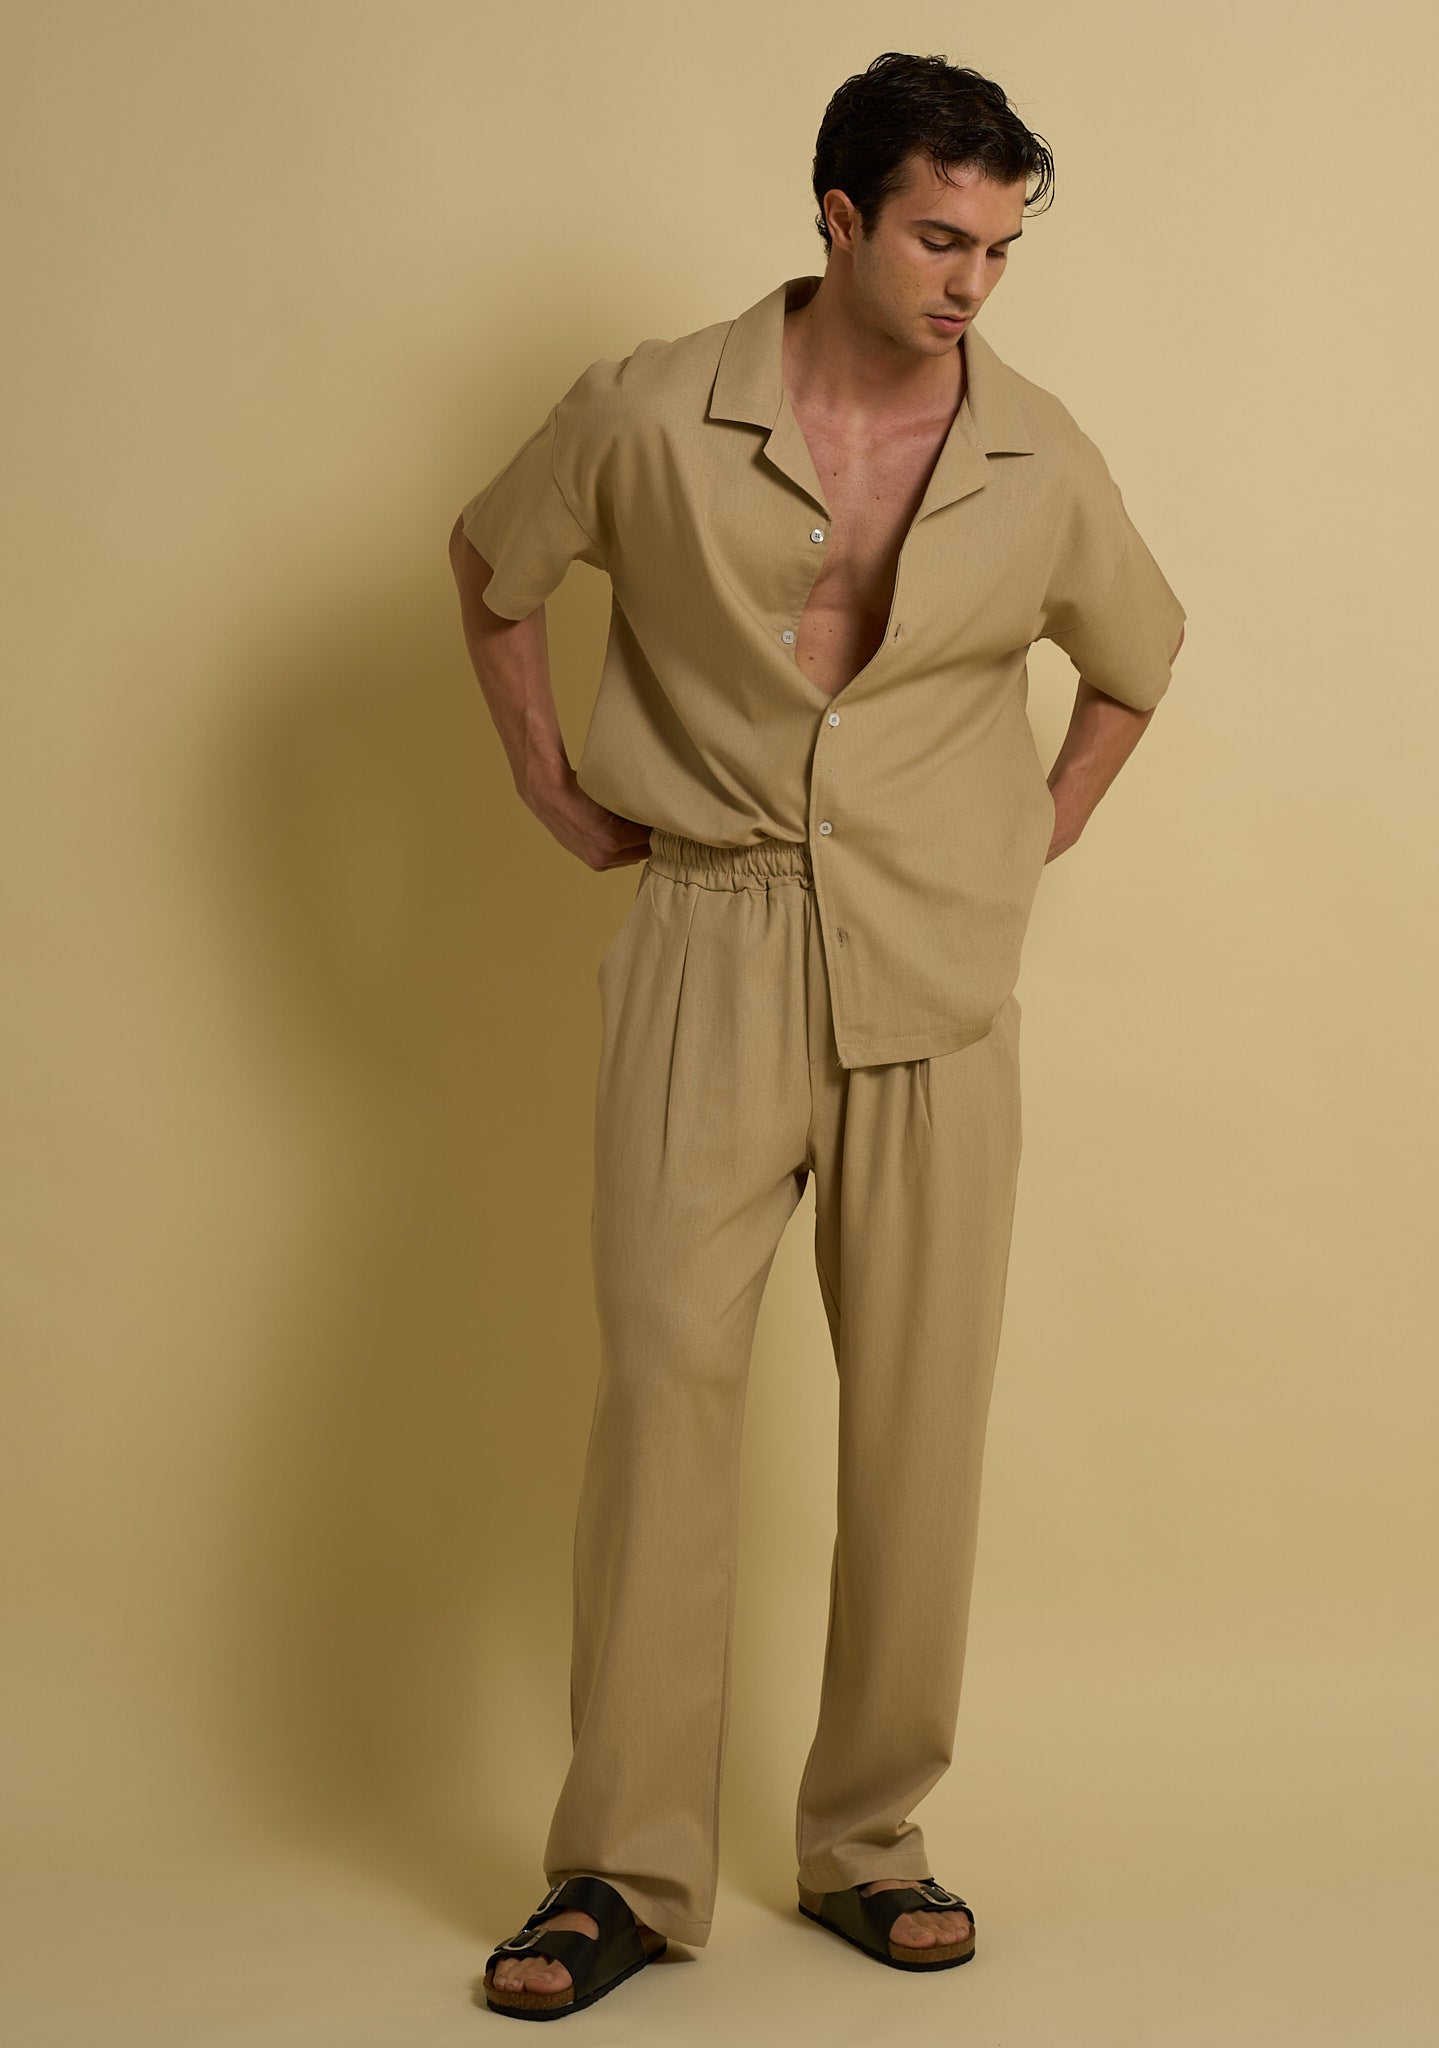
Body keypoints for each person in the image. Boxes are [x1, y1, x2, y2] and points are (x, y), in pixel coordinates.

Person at [449, 49, 1186, 2023]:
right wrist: (544, 780)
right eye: (940, 239)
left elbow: (1138, 658)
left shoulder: (1035, 453)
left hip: (933, 975)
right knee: (663, 1394)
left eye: (1000, 249)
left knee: (920, 1426)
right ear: (841, 219)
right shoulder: (646, 411)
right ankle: (620, 1870)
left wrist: (1027, 838)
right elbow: (492, 562)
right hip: (707, 931)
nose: (972, 283)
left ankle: (870, 1841)